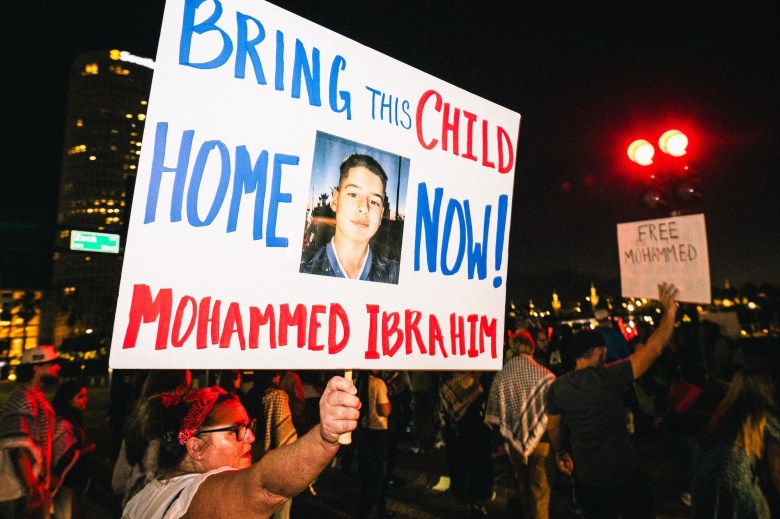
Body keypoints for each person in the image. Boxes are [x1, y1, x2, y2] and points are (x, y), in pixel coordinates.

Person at [122, 375, 360, 518]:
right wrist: (324, 437)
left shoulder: (141, 500)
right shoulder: (192, 496)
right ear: (195, 448)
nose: (250, 438)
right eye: (236, 430)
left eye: (249, 427)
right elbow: (266, 489)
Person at [547, 283, 678, 518]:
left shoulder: (557, 388)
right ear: (597, 351)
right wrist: (670, 312)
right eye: (604, 350)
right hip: (622, 473)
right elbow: (654, 349)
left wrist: (560, 452)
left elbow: (554, 426)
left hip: (588, 478)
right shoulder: (609, 376)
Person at [485, 329, 555, 519]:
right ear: (531, 347)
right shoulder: (545, 375)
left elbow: (494, 410)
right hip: (542, 440)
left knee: (522, 486)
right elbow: (553, 410)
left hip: (513, 441)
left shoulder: (502, 375)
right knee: (540, 490)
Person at [690, 367, 780, 518]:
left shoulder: (720, 416)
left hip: (703, 486)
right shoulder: (764, 418)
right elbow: (776, 470)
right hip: (737, 489)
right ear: (765, 388)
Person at [300, 154, 399, 284]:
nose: (364, 207)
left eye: (374, 202)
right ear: (335, 200)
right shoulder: (303, 268)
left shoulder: (394, 274)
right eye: (353, 194)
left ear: (381, 216)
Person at [0, 345, 61, 518]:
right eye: (53, 363)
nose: (58, 367)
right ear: (37, 368)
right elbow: (19, 449)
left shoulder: (33, 396)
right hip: (16, 492)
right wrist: (32, 490)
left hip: (26, 488)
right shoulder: (22, 398)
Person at [51, 381, 96, 519]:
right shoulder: (62, 424)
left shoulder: (74, 420)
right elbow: (63, 456)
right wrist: (87, 449)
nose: (85, 399)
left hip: (75, 481)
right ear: (69, 401)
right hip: (66, 484)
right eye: (80, 396)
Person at [356, 369, 392, 519]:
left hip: (363, 431)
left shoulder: (359, 382)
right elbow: (384, 410)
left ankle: (380, 508)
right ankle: (364, 511)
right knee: (378, 476)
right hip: (378, 432)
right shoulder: (378, 383)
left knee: (366, 475)